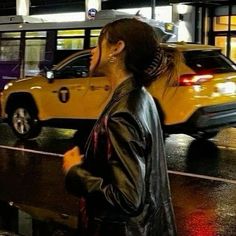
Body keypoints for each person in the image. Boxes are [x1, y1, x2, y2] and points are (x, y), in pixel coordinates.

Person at [63, 18, 179, 236]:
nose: (92, 50)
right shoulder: (141, 97)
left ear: (117, 48)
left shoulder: (123, 112)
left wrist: (75, 173)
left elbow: (127, 198)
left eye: (99, 42)